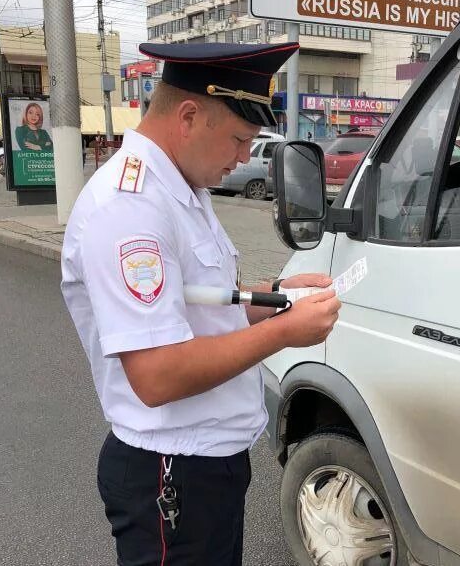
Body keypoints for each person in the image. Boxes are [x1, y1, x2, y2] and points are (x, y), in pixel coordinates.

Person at [61, 41, 341, 566]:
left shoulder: (183, 190)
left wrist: (279, 300)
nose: (242, 157)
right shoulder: (130, 209)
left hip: (205, 465)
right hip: (171, 470)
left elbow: (201, 304)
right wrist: (285, 332)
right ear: (188, 117)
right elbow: (157, 375)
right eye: (239, 139)